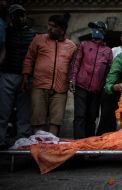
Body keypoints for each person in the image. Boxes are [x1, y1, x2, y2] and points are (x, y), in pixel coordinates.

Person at [22, 14, 76, 136]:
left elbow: (74, 67)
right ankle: (38, 149)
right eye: (49, 25)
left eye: (53, 26)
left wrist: (72, 80)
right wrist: (25, 76)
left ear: (62, 30)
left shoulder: (71, 46)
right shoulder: (38, 39)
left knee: (56, 121)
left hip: (60, 89)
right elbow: (29, 58)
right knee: (37, 119)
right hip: (39, 86)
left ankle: (51, 149)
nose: (49, 28)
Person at [0, 4, 36, 149]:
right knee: (3, 111)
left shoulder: (33, 35)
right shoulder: (5, 32)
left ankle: (23, 143)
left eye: (21, 15)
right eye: (15, 15)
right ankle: (1, 140)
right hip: (7, 74)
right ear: (11, 17)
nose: (19, 18)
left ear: (25, 16)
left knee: (24, 113)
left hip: (27, 77)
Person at [70, 21, 112, 139]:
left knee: (92, 117)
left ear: (103, 31)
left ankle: (89, 146)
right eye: (93, 29)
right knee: (79, 116)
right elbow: (76, 63)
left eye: (97, 28)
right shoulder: (84, 45)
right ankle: (78, 146)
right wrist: (72, 79)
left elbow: (108, 72)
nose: (94, 31)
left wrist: (104, 88)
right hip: (81, 86)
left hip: (96, 90)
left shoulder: (107, 51)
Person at [96, 30, 122, 135]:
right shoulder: (113, 50)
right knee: (107, 114)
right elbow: (106, 67)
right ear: (121, 38)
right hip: (112, 86)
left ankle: (117, 138)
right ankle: (102, 138)